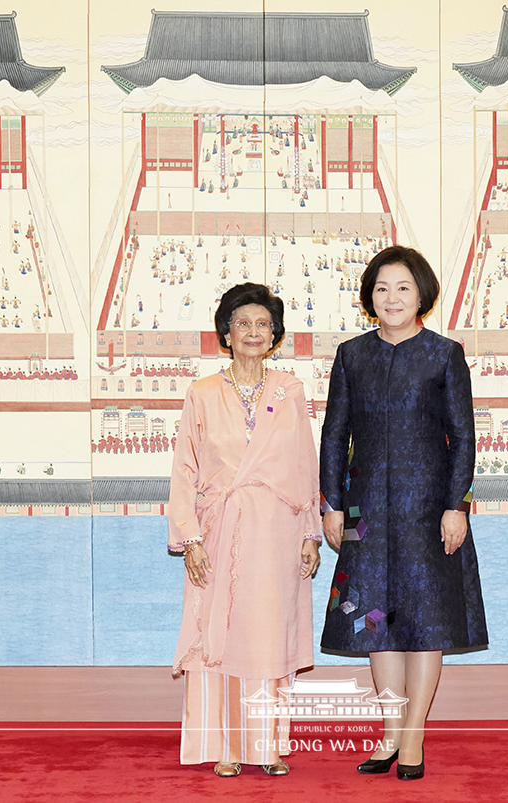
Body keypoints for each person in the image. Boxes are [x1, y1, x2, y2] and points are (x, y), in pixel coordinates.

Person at [320, 245, 487, 781]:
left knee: (424, 620)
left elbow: (463, 437)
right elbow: (333, 435)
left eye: (403, 289)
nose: (392, 298)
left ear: (422, 296)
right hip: (365, 511)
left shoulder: (444, 354)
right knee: (375, 620)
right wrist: (332, 504)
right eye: (382, 289)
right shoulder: (351, 355)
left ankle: (412, 734)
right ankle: (390, 732)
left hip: (427, 510)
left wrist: (455, 506)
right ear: (370, 298)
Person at [169, 282, 322, 778]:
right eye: (243, 324)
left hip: (277, 533)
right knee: (223, 634)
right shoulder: (203, 393)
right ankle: (229, 747)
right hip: (218, 532)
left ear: (274, 335)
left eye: (263, 325)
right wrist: (190, 539)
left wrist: (309, 532)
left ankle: (269, 746)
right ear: (226, 334)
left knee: (268, 635)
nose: (254, 333)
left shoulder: (289, 390)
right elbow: (184, 472)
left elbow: (305, 466)